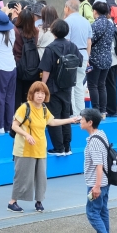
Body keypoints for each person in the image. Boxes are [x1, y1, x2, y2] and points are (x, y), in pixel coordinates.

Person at [8, 81, 80, 213]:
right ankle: (13, 201)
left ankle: (39, 201)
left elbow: (52, 122)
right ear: (32, 94)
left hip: (40, 148)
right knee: (22, 176)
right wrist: (26, 135)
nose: (40, 96)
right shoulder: (25, 107)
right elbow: (14, 125)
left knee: (41, 177)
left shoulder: (44, 109)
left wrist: (70, 120)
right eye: (37, 93)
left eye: (43, 93)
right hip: (24, 148)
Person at [39, 19, 81, 156]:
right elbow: (79, 61)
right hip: (67, 85)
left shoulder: (50, 48)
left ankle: (58, 148)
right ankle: (67, 146)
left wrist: (43, 86)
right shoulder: (72, 46)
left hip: (53, 86)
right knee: (66, 116)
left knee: (54, 117)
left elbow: (46, 70)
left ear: (53, 31)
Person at [80, 109, 113, 233]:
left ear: (90, 122)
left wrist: (97, 186)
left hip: (97, 182)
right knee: (102, 210)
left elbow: (99, 164)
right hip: (106, 181)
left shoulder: (94, 141)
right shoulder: (101, 134)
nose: (79, 121)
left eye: (82, 119)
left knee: (92, 212)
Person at [62, 0, 92, 116]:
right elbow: (89, 42)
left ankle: (73, 113)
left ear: (67, 8)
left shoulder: (68, 21)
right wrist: (87, 58)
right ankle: (81, 113)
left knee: (71, 86)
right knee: (79, 85)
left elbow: (66, 41)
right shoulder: (86, 21)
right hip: (83, 55)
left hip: (71, 56)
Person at [88, 0, 117, 118]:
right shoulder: (111, 24)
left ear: (95, 11)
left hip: (95, 58)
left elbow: (91, 41)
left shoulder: (94, 25)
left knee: (92, 85)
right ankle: (103, 110)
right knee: (102, 84)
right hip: (107, 58)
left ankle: (96, 110)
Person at [13, 9, 39, 107]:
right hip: (33, 64)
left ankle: (17, 116)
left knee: (17, 93)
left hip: (18, 63)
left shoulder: (15, 31)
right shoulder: (36, 31)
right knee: (29, 93)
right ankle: (29, 115)